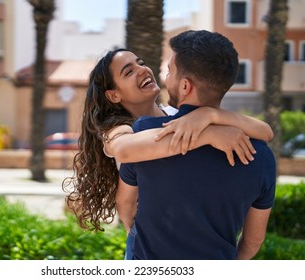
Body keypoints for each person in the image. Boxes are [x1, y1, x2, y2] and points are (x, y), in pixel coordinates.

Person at [62, 47, 273, 259]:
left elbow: (265, 131)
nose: (143, 70)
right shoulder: (117, 130)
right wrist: (209, 134)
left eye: (141, 63)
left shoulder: (179, 114)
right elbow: (125, 151)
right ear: (114, 95)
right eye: (129, 71)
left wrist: (209, 114)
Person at [118, 30, 276, 260]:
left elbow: (125, 205)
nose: (165, 77)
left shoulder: (146, 134)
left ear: (185, 86)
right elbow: (253, 240)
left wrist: (139, 236)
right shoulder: (260, 155)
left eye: (170, 71)